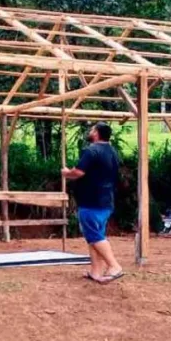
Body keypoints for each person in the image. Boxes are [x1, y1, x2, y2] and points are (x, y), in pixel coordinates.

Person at [61, 122, 124, 284]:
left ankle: (114, 265)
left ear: (97, 133)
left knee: (95, 236)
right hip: (106, 200)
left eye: (92, 129)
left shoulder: (91, 151)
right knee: (94, 236)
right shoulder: (112, 151)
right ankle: (95, 271)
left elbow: (79, 172)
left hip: (91, 202)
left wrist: (67, 173)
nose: (90, 131)